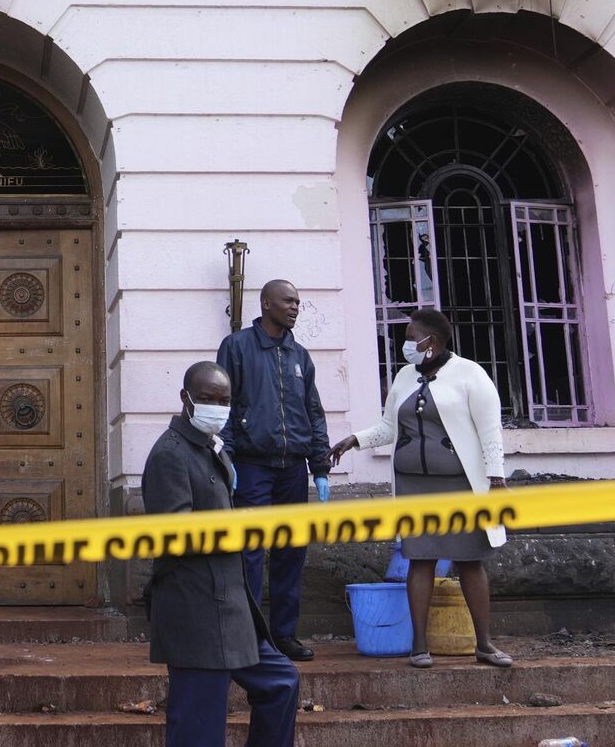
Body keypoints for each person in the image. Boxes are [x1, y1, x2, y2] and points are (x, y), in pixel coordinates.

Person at [330, 308, 513, 669]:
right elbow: (388, 427)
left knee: (470, 560)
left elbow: (491, 431)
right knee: (420, 559)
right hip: (415, 485)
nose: (406, 344)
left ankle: (484, 644)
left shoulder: (470, 375)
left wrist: (496, 479)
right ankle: (418, 645)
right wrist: (354, 440)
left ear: (431, 342)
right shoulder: (403, 377)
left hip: (460, 485)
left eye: (412, 338)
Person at [143, 361, 299, 747]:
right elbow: (173, 535)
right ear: (186, 399)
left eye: (224, 400)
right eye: (207, 399)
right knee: (199, 727)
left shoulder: (212, 447)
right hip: (194, 608)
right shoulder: (169, 454)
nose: (217, 406)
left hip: (232, 605)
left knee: (281, 682)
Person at [215, 279, 333, 662]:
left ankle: (284, 635)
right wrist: (227, 459)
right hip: (251, 467)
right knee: (249, 553)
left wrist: (320, 468)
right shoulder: (236, 347)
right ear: (267, 304)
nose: (295, 307)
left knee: (290, 553)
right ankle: (249, 636)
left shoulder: (300, 355)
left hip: (292, 470)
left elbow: (313, 411)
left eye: (298, 302)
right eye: (288, 301)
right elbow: (224, 408)